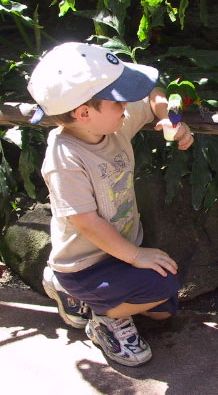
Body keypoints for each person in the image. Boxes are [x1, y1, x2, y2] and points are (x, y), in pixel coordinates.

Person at [27, 42, 194, 367]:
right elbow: (86, 223)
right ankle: (101, 317)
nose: (126, 105)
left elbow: (153, 93)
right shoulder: (64, 158)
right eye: (118, 100)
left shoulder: (113, 124)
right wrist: (136, 256)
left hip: (118, 250)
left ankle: (104, 302)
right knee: (161, 286)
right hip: (84, 265)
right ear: (84, 113)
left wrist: (169, 119)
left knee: (164, 310)